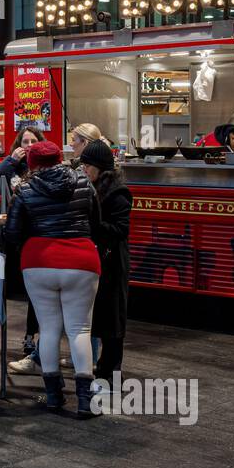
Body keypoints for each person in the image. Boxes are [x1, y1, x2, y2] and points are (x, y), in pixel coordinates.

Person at [3, 139, 101, 417]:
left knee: (48, 330)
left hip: (38, 261)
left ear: (32, 163)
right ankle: (84, 401)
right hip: (81, 259)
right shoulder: (84, 182)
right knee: (80, 330)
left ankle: (54, 397)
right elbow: (95, 222)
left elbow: (11, 233)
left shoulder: (24, 189)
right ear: (60, 159)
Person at [0, 127, 46, 368]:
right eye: (24, 141)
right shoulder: (13, 166)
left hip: (33, 236)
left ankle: (31, 337)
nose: (29, 145)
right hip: (10, 236)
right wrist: (9, 161)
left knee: (34, 292)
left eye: (33, 141)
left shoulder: (41, 169)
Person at [79, 139, 131, 389]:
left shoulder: (118, 193)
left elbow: (120, 230)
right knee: (98, 316)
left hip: (112, 261)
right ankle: (99, 366)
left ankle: (110, 370)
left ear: (100, 168)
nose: (84, 170)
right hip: (95, 259)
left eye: (87, 166)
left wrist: (94, 226)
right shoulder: (90, 187)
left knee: (112, 319)